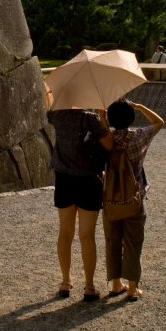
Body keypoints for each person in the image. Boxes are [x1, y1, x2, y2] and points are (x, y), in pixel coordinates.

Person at [46, 86, 112, 302]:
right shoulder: (91, 119)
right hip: (88, 181)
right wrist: (104, 118)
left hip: (64, 179)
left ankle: (65, 282)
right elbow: (109, 145)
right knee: (87, 235)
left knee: (65, 233)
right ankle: (89, 286)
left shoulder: (57, 116)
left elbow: (50, 105)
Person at [103, 98, 164, 301]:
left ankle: (115, 284)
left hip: (110, 198)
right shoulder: (138, 137)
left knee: (113, 240)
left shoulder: (108, 139)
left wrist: (102, 116)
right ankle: (132, 287)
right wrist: (140, 106)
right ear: (130, 118)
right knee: (133, 241)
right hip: (134, 198)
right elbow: (159, 122)